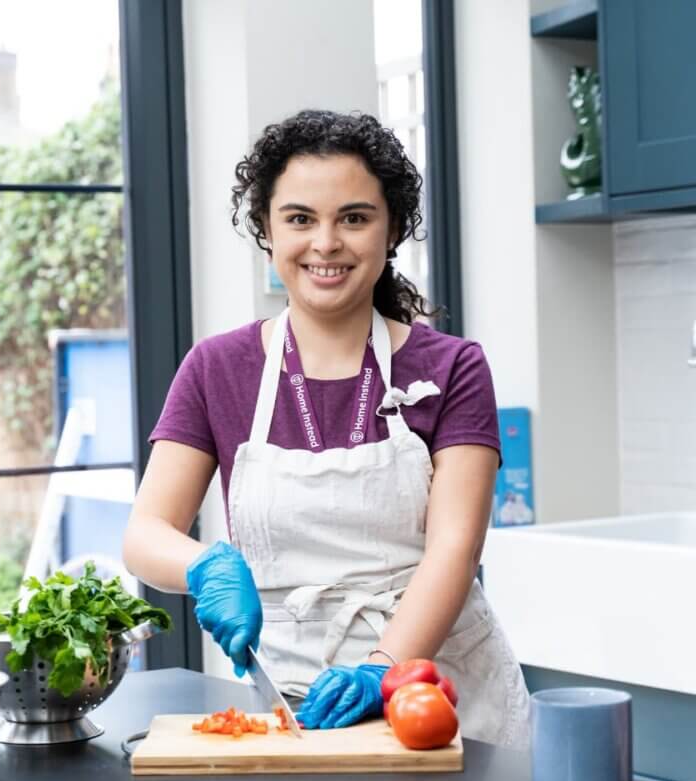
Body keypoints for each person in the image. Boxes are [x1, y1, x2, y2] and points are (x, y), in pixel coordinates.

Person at [122, 109, 530, 748]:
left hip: (436, 698)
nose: (327, 243)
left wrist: (382, 670)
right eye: (300, 219)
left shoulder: (453, 367)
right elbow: (146, 535)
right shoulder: (216, 369)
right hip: (284, 704)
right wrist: (205, 565)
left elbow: (456, 550)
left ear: (391, 228)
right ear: (266, 229)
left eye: (355, 218)